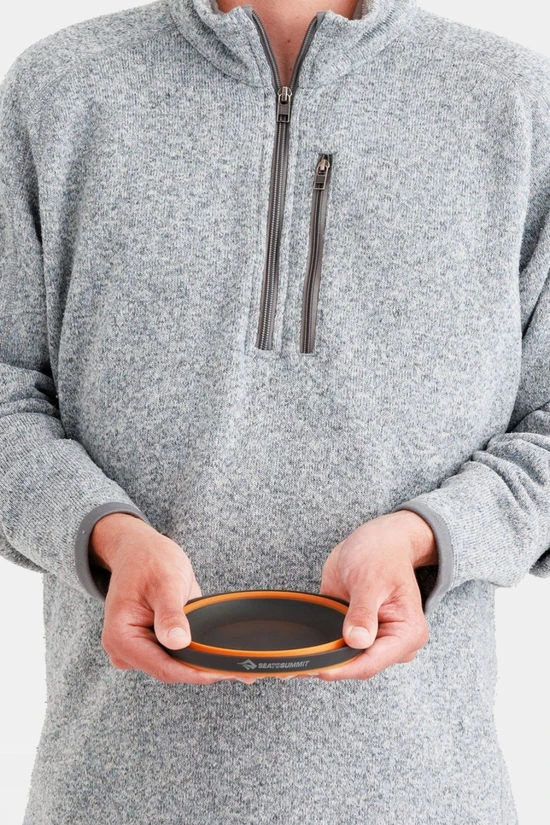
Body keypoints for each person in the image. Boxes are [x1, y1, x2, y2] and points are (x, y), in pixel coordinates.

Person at [1, 0, 549, 822]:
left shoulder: (514, 105)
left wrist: (431, 537)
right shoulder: (59, 92)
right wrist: (103, 534)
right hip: (115, 797)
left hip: (425, 797)